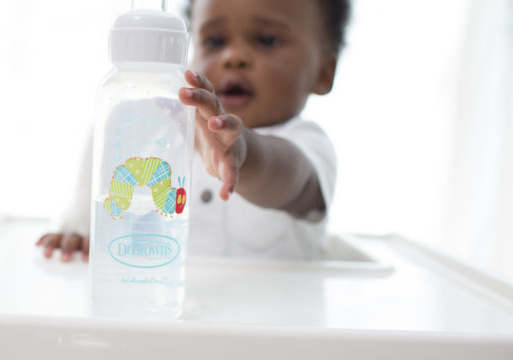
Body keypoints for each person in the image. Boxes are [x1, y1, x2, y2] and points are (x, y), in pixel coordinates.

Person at [36, 0, 349, 262]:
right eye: (214, 42)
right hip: (179, 321)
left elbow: (292, 181)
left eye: (267, 40)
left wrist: (243, 154)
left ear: (323, 72)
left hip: (274, 330)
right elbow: (108, 171)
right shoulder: (165, 132)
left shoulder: (307, 143)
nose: (233, 57)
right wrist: (79, 227)